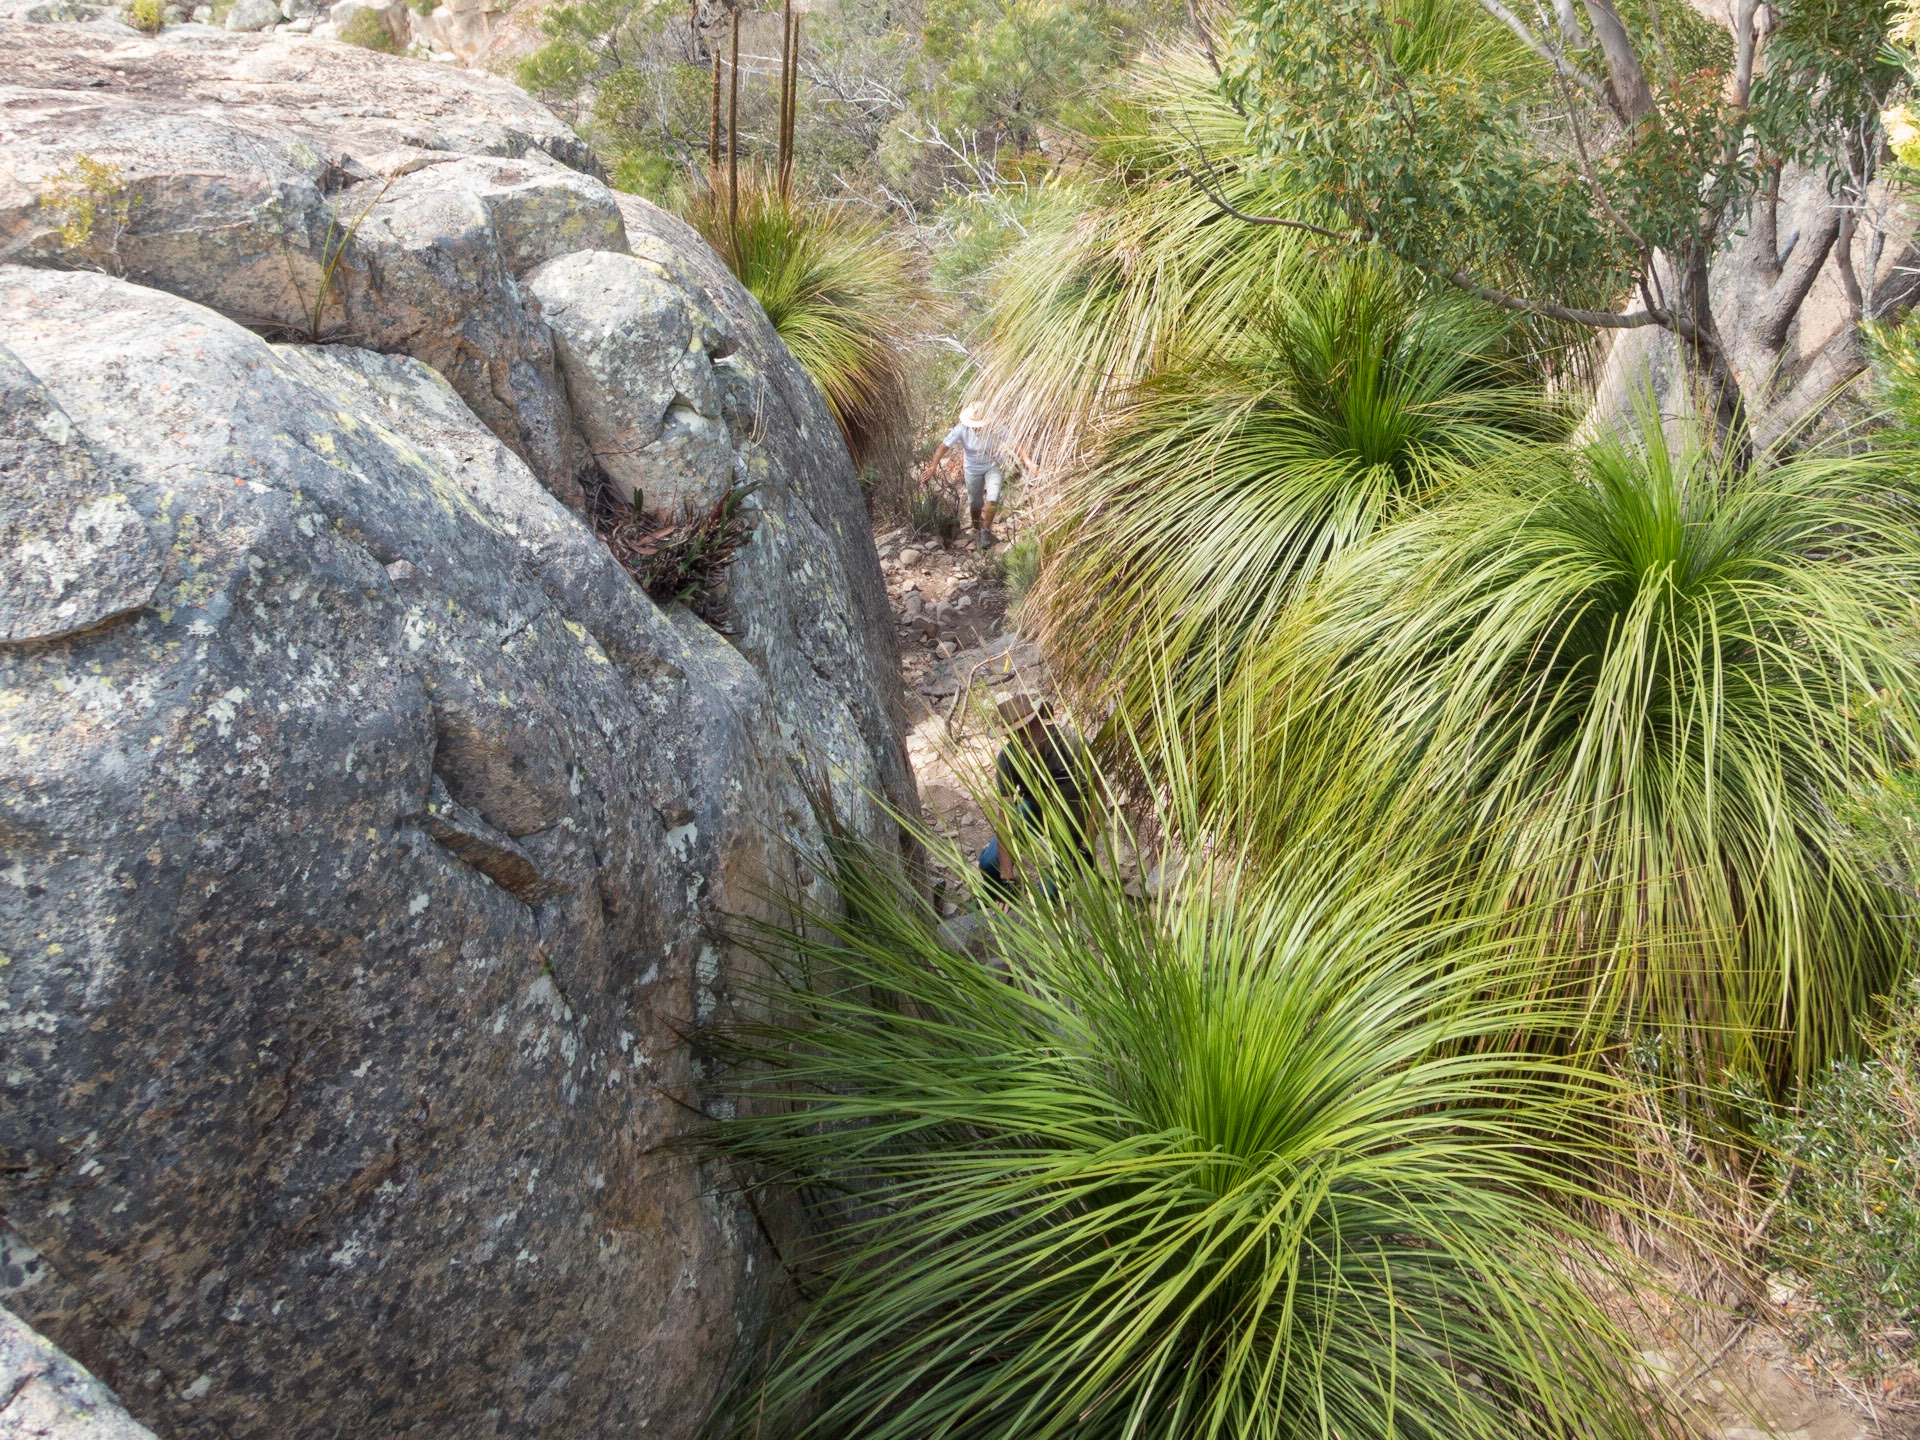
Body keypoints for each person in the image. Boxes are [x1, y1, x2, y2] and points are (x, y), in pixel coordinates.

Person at [978, 693, 1091, 897]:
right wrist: (1006, 876)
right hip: (1035, 813)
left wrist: (1087, 844)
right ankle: (1000, 897)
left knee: (1046, 895)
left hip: (1072, 824)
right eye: (1014, 733)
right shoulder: (1008, 759)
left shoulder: (1071, 743)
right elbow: (1006, 816)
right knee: (988, 864)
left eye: (1026, 727)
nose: (1022, 737)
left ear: (1040, 720)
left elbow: (1097, 794)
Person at [924, 401, 1037, 551]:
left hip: (993, 465)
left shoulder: (995, 428)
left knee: (993, 497)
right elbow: (942, 448)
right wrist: (933, 468)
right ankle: (976, 529)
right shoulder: (961, 429)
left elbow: (1014, 444)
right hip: (972, 468)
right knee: (975, 503)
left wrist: (1028, 462)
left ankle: (986, 531)